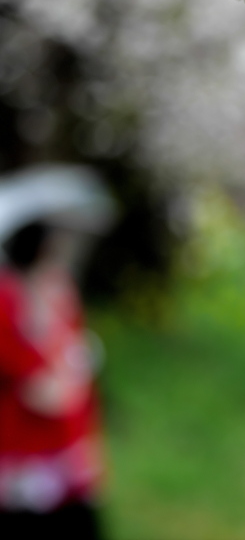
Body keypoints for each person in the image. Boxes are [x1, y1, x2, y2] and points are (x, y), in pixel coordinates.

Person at [0, 220, 104, 539]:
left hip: (68, 442)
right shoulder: (7, 298)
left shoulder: (61, 291)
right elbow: (40, 391)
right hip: (25, 448)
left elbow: (74, 354)